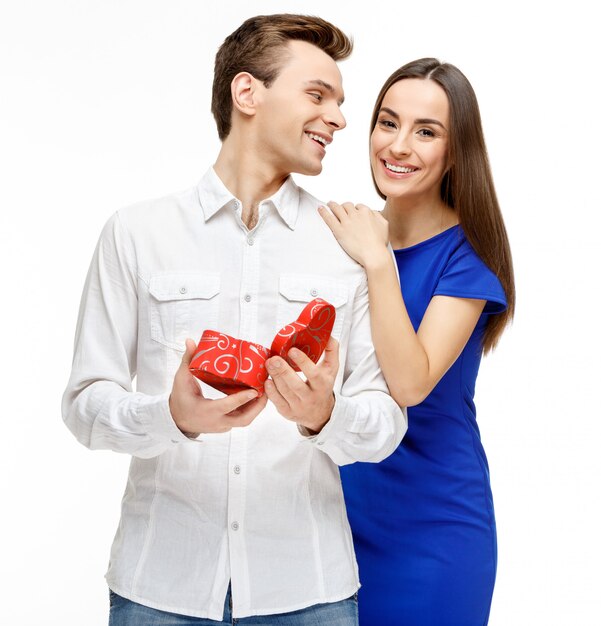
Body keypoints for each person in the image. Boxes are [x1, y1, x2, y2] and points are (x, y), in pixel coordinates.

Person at [62, 14, 406, 626]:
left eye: (340, 101)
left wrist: (325, 415)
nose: (340, 118)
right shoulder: (137, 233)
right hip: (159, 589)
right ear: (246, 93)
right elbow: (86, 405)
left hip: (309, 593)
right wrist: (171, 417)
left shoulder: (349, 244)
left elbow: (384, 421)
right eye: (317, 94)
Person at [320, 58, 515, 626]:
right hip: (334, 519)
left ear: (456, 152)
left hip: (434, 530)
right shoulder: (339, 237)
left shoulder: (465, 258)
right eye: (387, 123)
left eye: (425, 132)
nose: (398, 145)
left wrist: (378, 261)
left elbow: (409, 382)